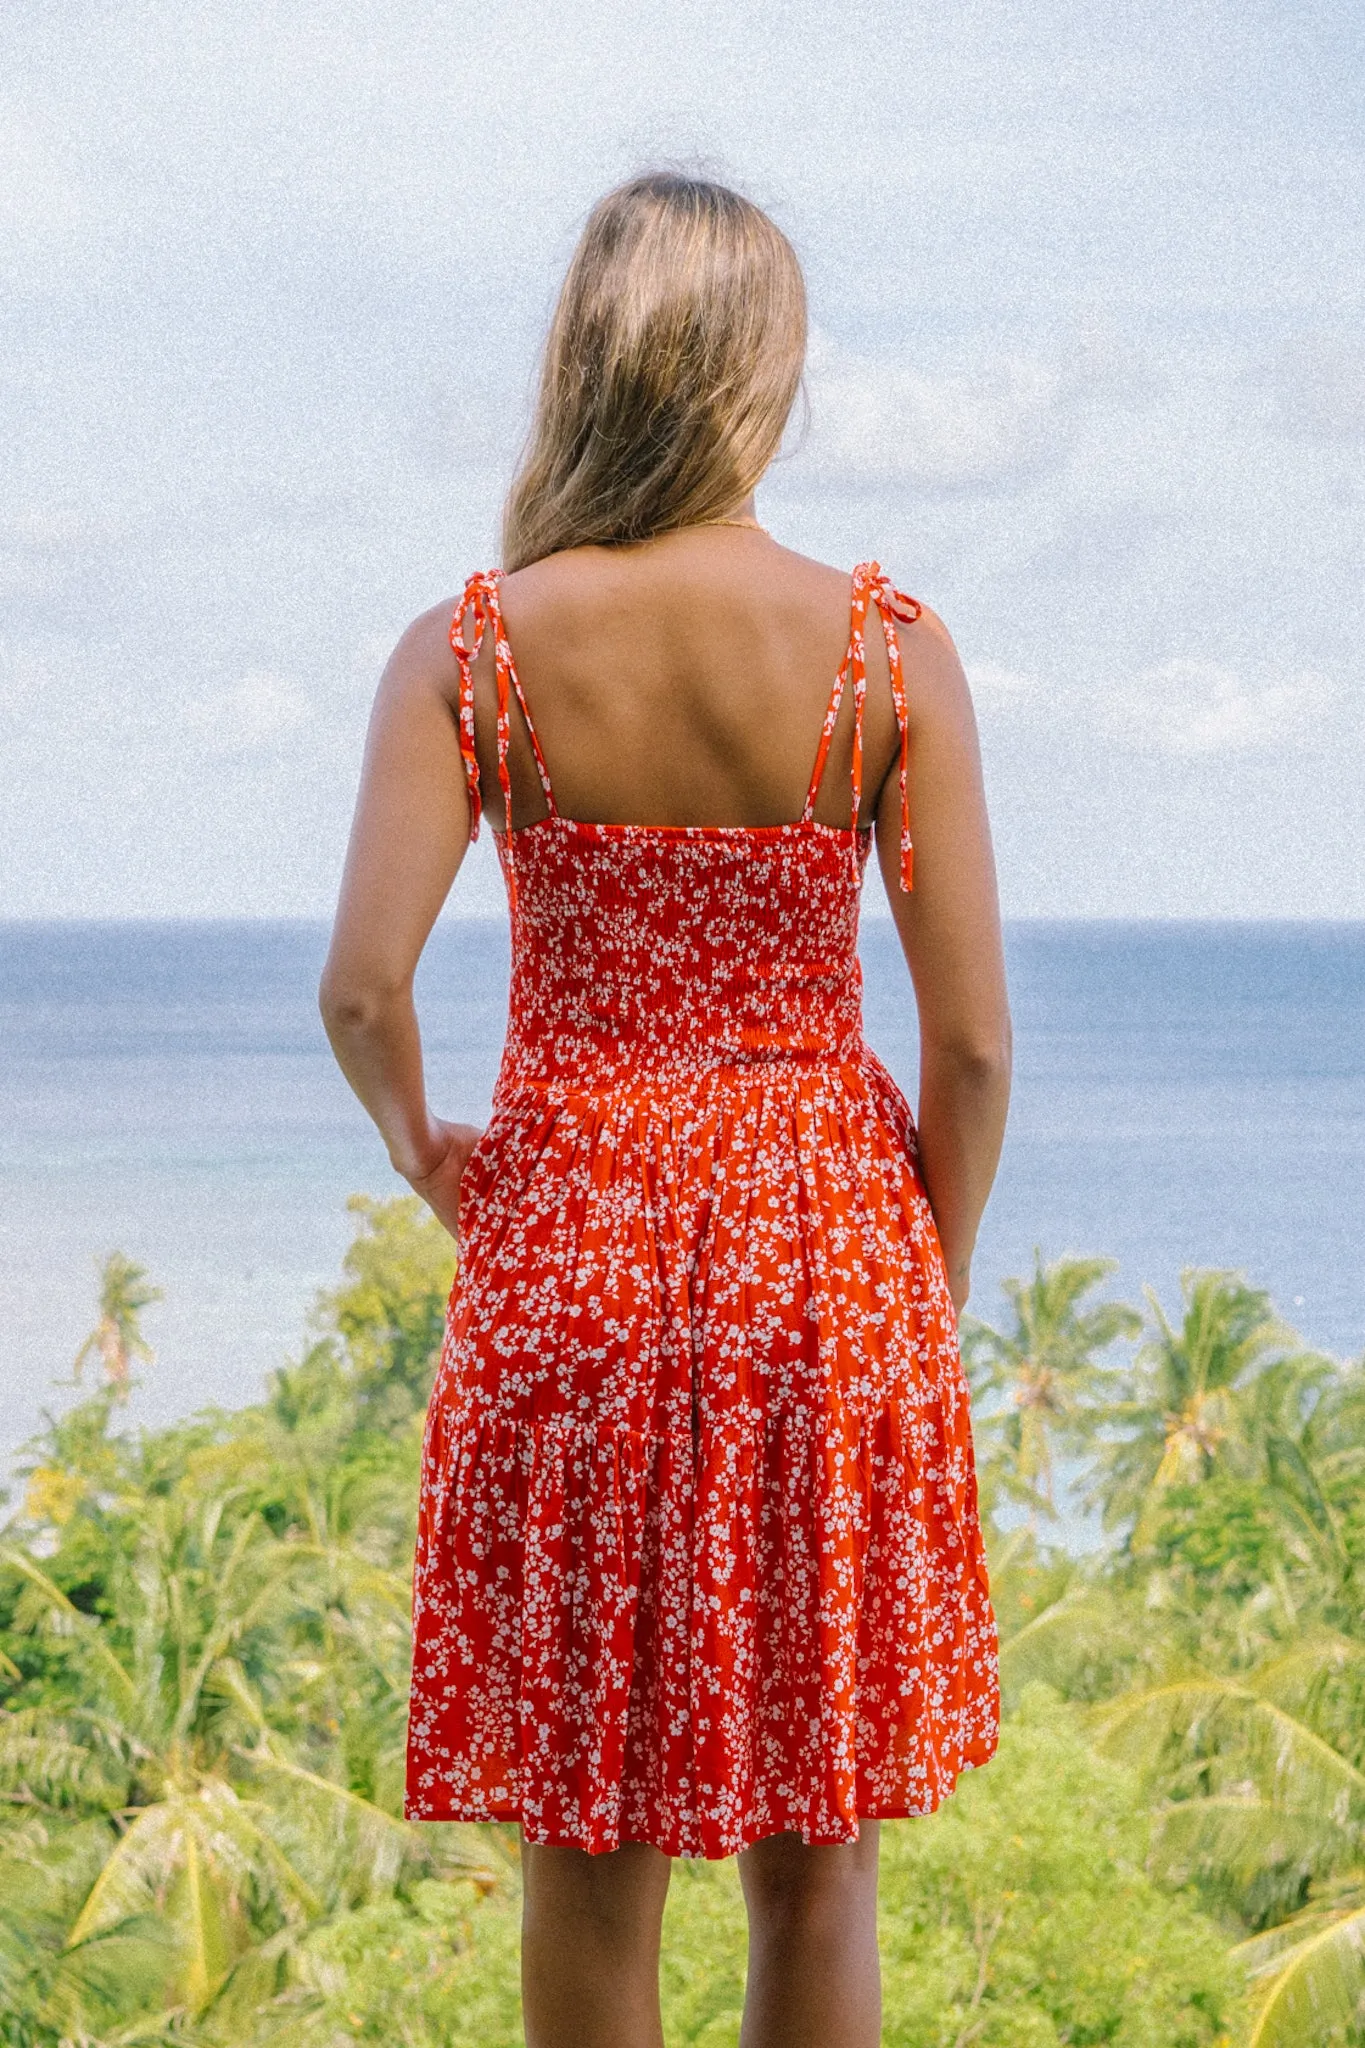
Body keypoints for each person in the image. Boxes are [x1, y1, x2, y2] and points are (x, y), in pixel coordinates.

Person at [321, 170, 1011, 2048]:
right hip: (828, 1264)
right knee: (821, 1858)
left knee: (586, 1843)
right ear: (760, 375)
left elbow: (366, 989)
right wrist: (913, 1288)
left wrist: (425, 1148)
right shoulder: (885, 651)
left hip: (575, 1253)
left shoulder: (473, 648)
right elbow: (969, 1056)